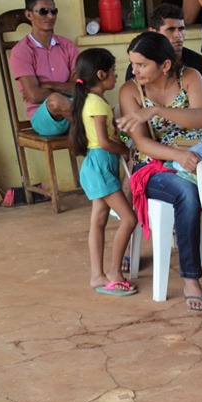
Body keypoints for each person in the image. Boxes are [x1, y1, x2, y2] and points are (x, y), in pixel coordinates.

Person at [117, 32, 202, 311]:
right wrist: (179, 156)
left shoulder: (190, 77)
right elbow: (142, 143)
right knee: (187, 193)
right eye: (133, 64)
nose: (134, 70)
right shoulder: (130, 91)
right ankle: (191, 279)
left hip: (199, 158)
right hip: (154, 166)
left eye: (141, 64)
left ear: (165, 65)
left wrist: (157, 111)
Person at [70, 48, 138, 297]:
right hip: (101, 165)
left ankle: (97, 276)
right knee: (129, 219)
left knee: (99, 220)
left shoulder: (92, 100)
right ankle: (114, 272)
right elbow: (105, 142)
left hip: (98, 164)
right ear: (101, 74)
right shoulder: (97, 103)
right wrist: (126, 150)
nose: (116, 76)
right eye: (113, 71)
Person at [9, 0, 78, 136]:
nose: (50, 16)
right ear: (29, 15)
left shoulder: (68, 45)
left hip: (73, 108)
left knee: (98, 96)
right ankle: (89, 131)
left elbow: (80, 87)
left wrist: (49, 85)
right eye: (43, 11)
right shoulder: (21, 51)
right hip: (44, 118)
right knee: (55, 100)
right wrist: (66, 88)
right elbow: (34, 96)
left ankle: (91, 132)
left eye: (54, 11)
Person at [124, 4, 202, 101]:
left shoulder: (201, 64)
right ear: (152, 32)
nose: (178, 35)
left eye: (181, 29)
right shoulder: (135, 69)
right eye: (171, 29)